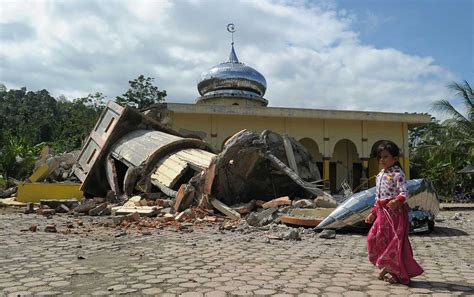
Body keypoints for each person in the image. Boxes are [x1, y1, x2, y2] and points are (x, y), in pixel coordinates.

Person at [364, 141, 423, 284]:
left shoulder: (398, 174)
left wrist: (397, 201)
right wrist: (373, 213)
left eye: (385, 157)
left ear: (395, 158)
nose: (381, 160)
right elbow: (378, 198)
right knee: (374, 238)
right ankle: (388, 267)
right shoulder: (379, 175)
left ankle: (395, 272)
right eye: (379, 157)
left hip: (395, 214)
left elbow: (404, 192)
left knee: (393, 243)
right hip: (383, 213)